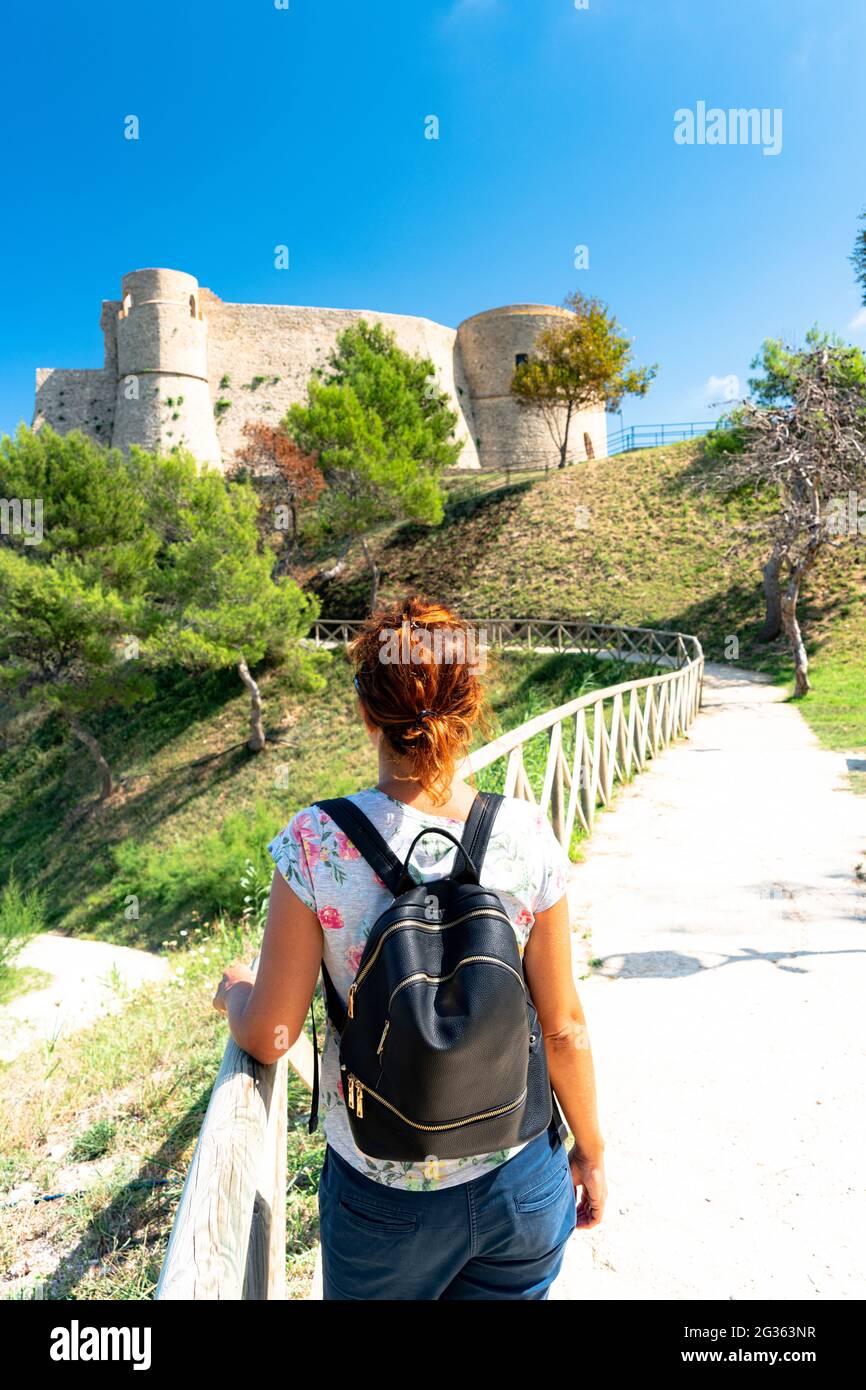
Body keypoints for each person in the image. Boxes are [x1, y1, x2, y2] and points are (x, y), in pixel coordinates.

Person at [213, 594, 607, 1300]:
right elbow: (564, 1028)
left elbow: (272, 1035)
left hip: (382, 1192)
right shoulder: (522, 832)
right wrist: (594, 1152)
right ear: (472, 702)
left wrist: (234, 993)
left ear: (367, 714)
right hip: (519, 1173)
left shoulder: (315, 841)